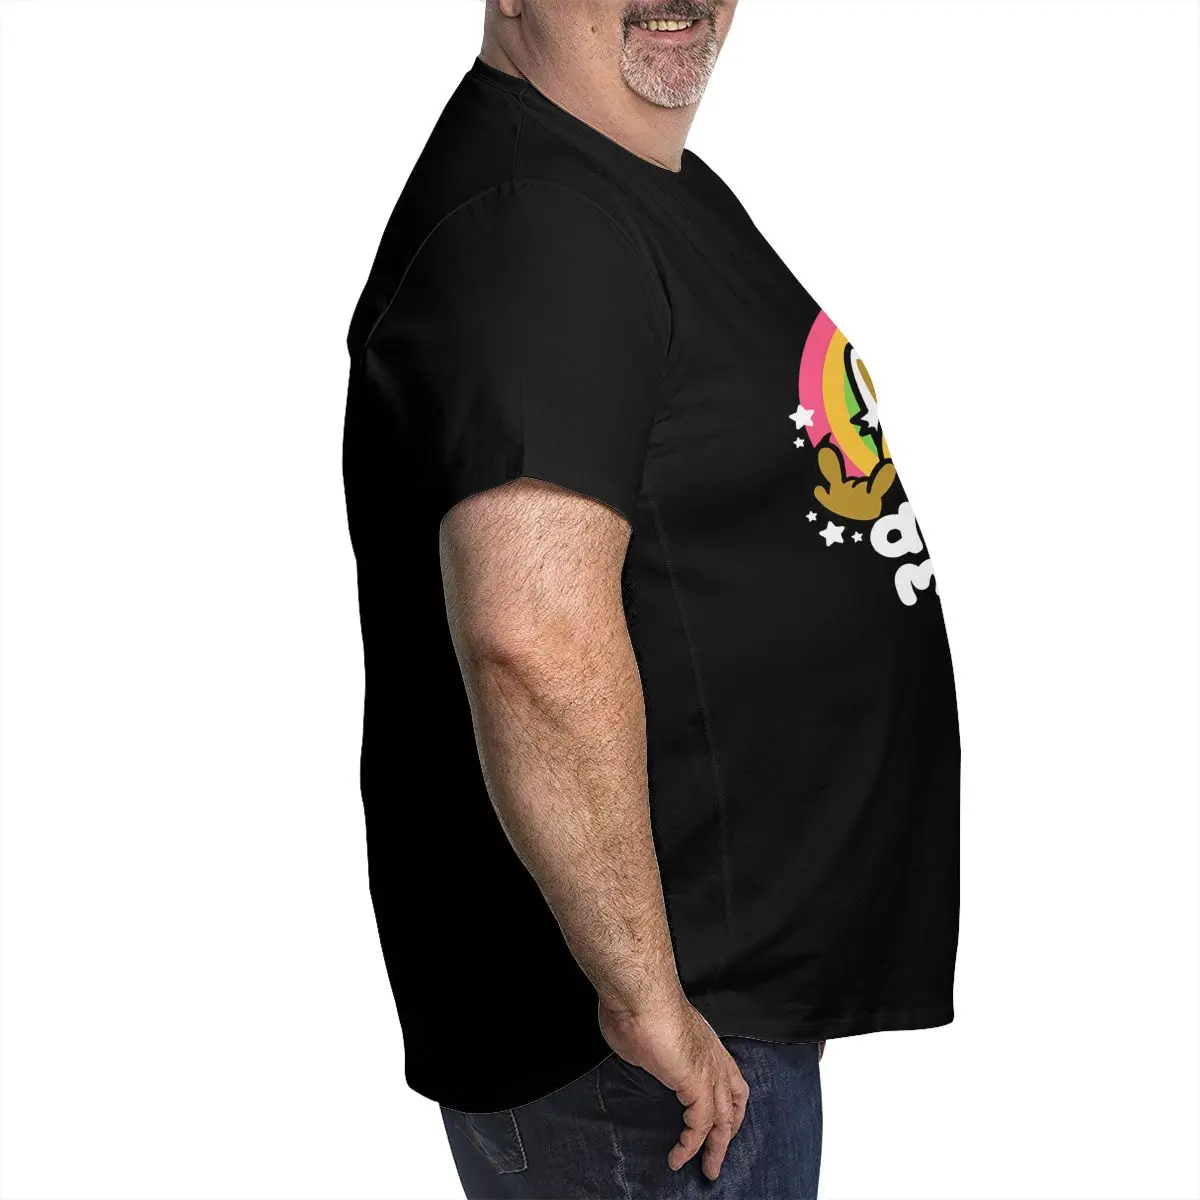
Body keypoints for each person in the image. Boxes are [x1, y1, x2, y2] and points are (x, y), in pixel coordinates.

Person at [341, 1, 960, 1195]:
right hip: (638, 1059)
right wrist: (644, 999)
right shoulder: (536, 227)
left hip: (700, 1008)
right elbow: (530, 636)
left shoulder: (618, 181)